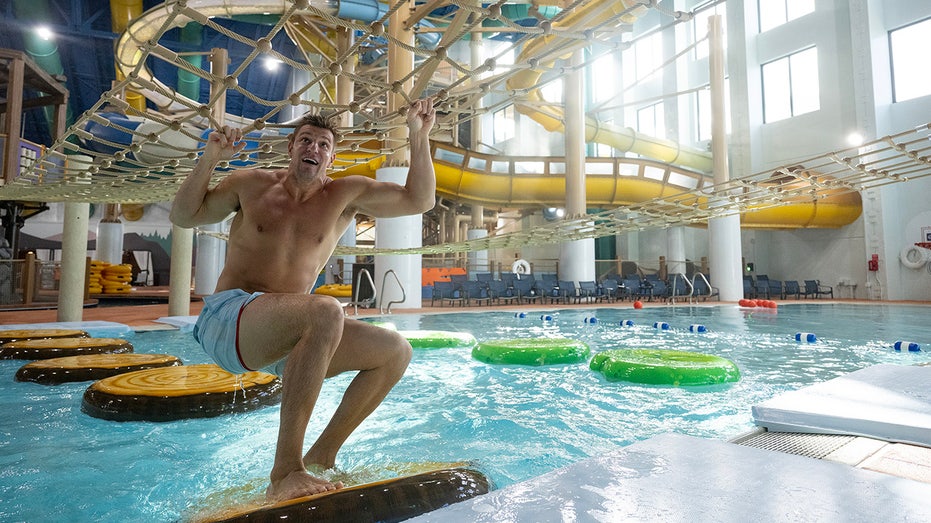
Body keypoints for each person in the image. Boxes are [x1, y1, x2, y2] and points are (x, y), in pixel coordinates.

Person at [169, 98, 436, 502]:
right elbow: (184, 216)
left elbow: (420, 200)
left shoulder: (346, 194)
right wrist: (210, 158)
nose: (314, 148)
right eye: (306, 140)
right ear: (291, 147)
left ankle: (321, 457)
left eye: (323, 144)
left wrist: (419, 136)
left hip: (285, 337)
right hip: (228, 320)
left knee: (395, 350)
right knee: (325, 309)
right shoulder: (251, 184)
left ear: (332, 156)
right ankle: (285, 471)